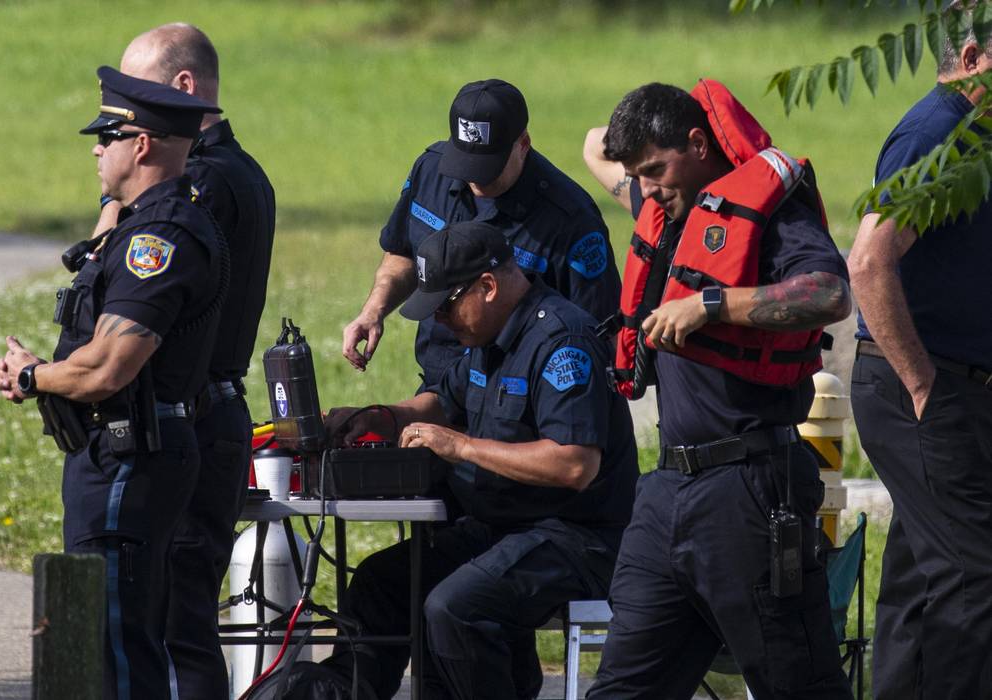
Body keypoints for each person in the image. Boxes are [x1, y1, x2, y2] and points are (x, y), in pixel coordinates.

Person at [584, 83, 853, 698]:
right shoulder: (667, 206)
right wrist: (638, 154)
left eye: (656, 170)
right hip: (667, 497)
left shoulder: (772, 216)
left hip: (748, 492)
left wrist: (711, 304)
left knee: (797, 684)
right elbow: (593, 147)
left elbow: (828, 294)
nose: (647, 189)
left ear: (699, 144)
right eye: (638, 176)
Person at [322, 221, 637, 700]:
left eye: (445, 308)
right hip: (502, 527)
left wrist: (461, 446)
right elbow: (441, 402)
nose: (441, 323)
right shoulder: (486, 339)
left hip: (576, 536)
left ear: (487, 287)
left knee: (457, 606)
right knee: (382, 583)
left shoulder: (561, 343)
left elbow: (574, 465)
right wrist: (374, 418)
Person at [0, 68, 224, 700]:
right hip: (112, 454)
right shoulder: (135, 225)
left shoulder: (161, 239)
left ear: (141, 144)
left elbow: (108, 368)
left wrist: (37, 375)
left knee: (116, 644)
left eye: (107, 136)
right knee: (106, 639)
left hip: (131, 459)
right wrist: (39, 372)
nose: (97, 149)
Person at [95, 24, 277, 699]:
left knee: (174, 625)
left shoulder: (202, 182)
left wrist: (117, 205)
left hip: (192, 417)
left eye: (136, 100)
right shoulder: (236, 170)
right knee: (169, 618)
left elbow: (130, 290)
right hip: (203, 414)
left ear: (181, 89)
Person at [847, 15, 992, 698]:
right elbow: (869, 263)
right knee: (974, 577)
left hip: (946, 384)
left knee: (920, 574)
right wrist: (922, 384)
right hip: (917, 383)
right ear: (971, 58)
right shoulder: (941, 136)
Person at [342, 79, 621, 388]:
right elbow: (404, 253)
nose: (475, 178)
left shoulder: (570, 219)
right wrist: (373, 311)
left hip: (519, 401)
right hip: (440, 387)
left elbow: (598, 335)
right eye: (465, 161)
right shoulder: (431, 171)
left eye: (488, 166)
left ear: (523, 144)